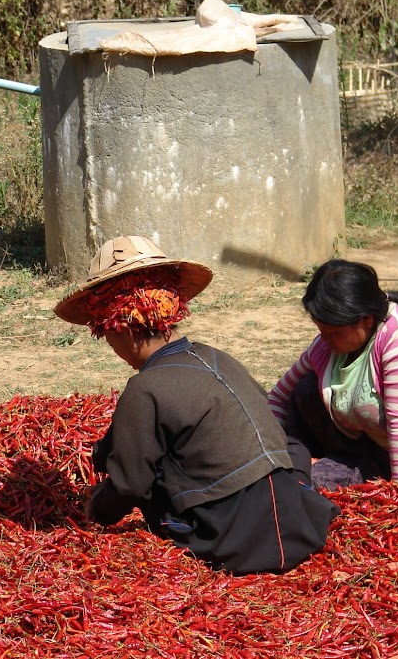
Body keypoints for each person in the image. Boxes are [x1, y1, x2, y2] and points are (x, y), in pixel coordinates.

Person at [54, 236, 339, 575]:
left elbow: (130, 484)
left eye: (106, 334)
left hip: (232, 540)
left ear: (123, 329)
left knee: (152, 473)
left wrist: (96, 508)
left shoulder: (145, 388)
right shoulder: (218, 358)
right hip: (298, 519)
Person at [268, 259, 398, 495]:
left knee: (299, 485)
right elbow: (279, 396)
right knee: (304, 389)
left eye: (334, 332)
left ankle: (321, 466)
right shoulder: (329, 344)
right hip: (366, 442)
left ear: (366, 319)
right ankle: (313, 460)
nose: (325, 339)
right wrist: (270, 450)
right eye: (321, 331)